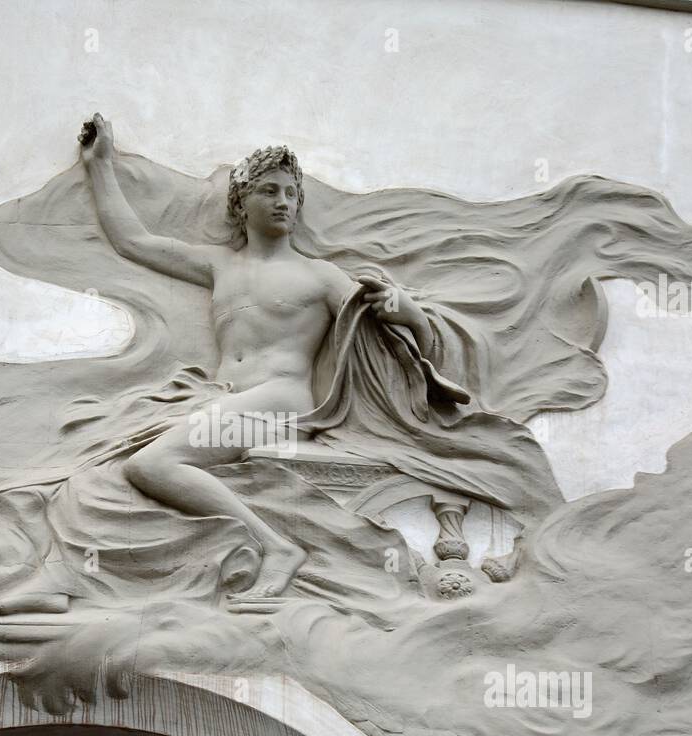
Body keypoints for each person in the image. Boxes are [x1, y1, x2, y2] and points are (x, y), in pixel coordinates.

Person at [80, 113, 437, 600]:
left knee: (151, 466)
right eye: (269, 190)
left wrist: (411, 313)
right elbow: (133, 241)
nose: (283, 201)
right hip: (220, 399)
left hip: (280, 400)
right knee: (100, 456)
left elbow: (395, 337)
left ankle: (275, 547)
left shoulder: (321, 276)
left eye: (291, 193)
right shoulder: (218, 264)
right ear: (241, 202)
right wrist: (100, 166)